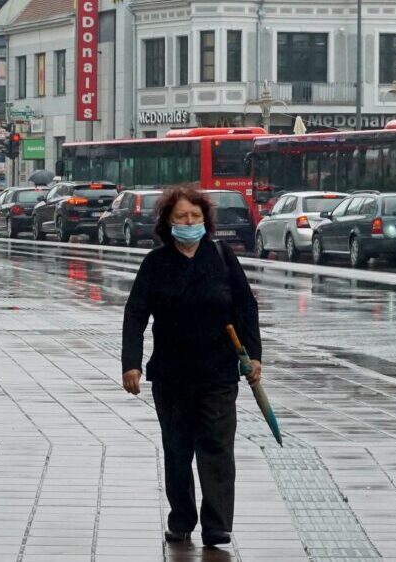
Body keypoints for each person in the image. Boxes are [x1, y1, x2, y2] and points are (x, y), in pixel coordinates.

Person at [121, 186, 262, 547]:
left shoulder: (221, 256)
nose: (189, 222)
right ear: (169, 221)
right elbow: (135, 315)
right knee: (178, 448)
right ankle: (181, 518)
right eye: (182, 217)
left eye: (195, 217)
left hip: (218, 373)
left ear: (205, 220)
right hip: (171, 376)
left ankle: (217, 525)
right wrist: (131, 364)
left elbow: (245, 306)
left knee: (216, 448)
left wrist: (254, 355)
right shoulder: (156, 263)